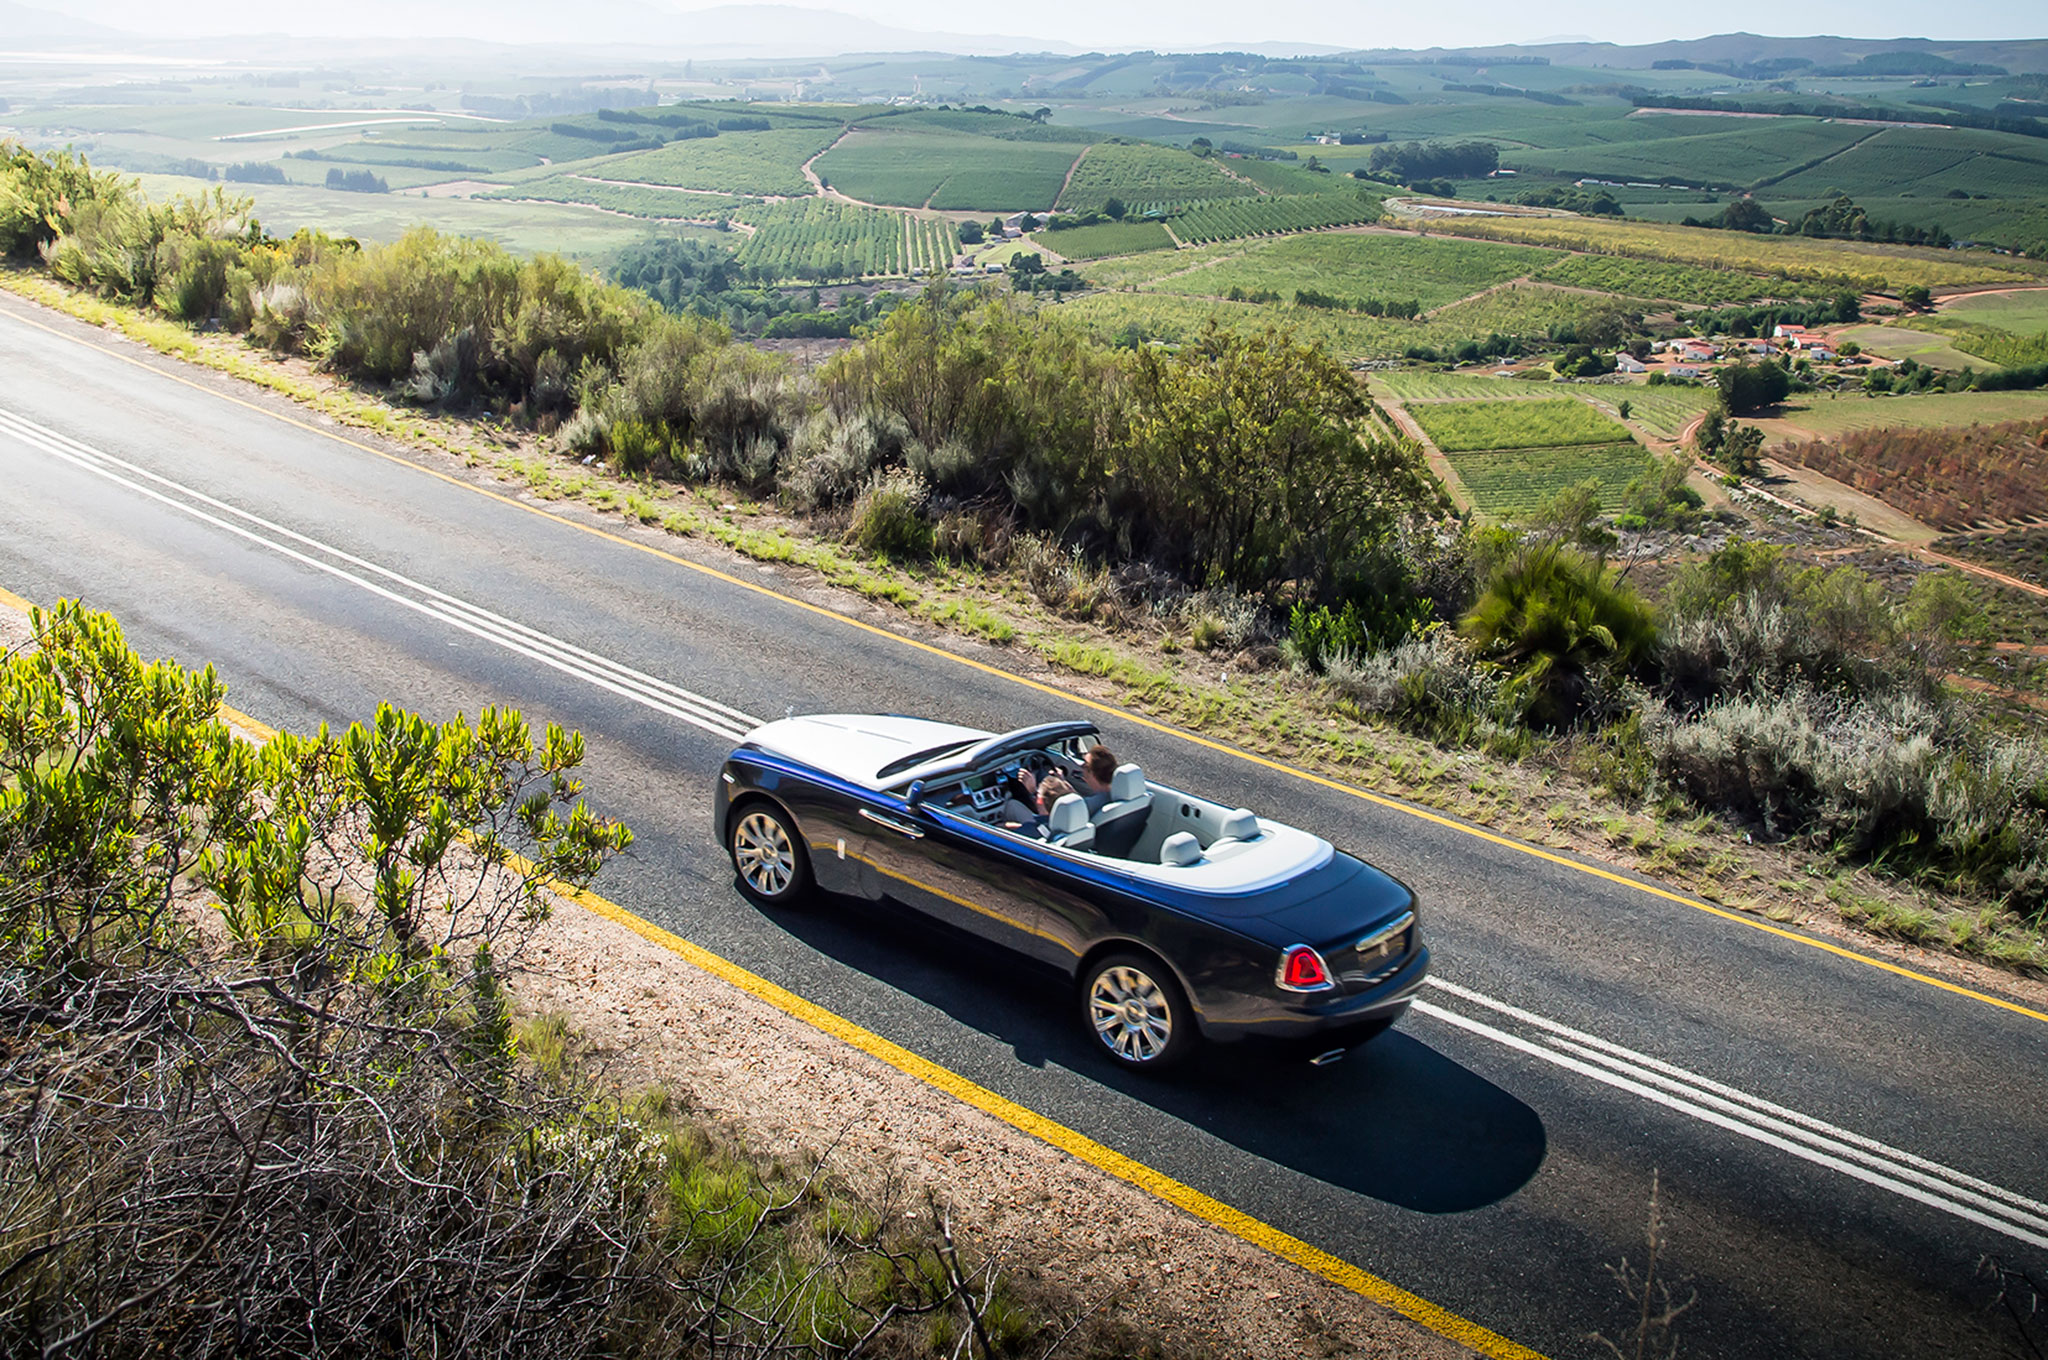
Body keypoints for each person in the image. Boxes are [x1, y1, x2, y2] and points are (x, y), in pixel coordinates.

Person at [999, 770, 1073, 835]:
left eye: (1037, 794)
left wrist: (1002, 827)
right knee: (1013, 804)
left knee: (1011, 805)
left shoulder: (1029, 831)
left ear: (1040, 801)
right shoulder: (1076, 816)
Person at [1077, 744, 1119, 813]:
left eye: (1085, 765)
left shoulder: (1088, 805)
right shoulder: (1120, 794)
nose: (1081, 766)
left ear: (1092, 773)